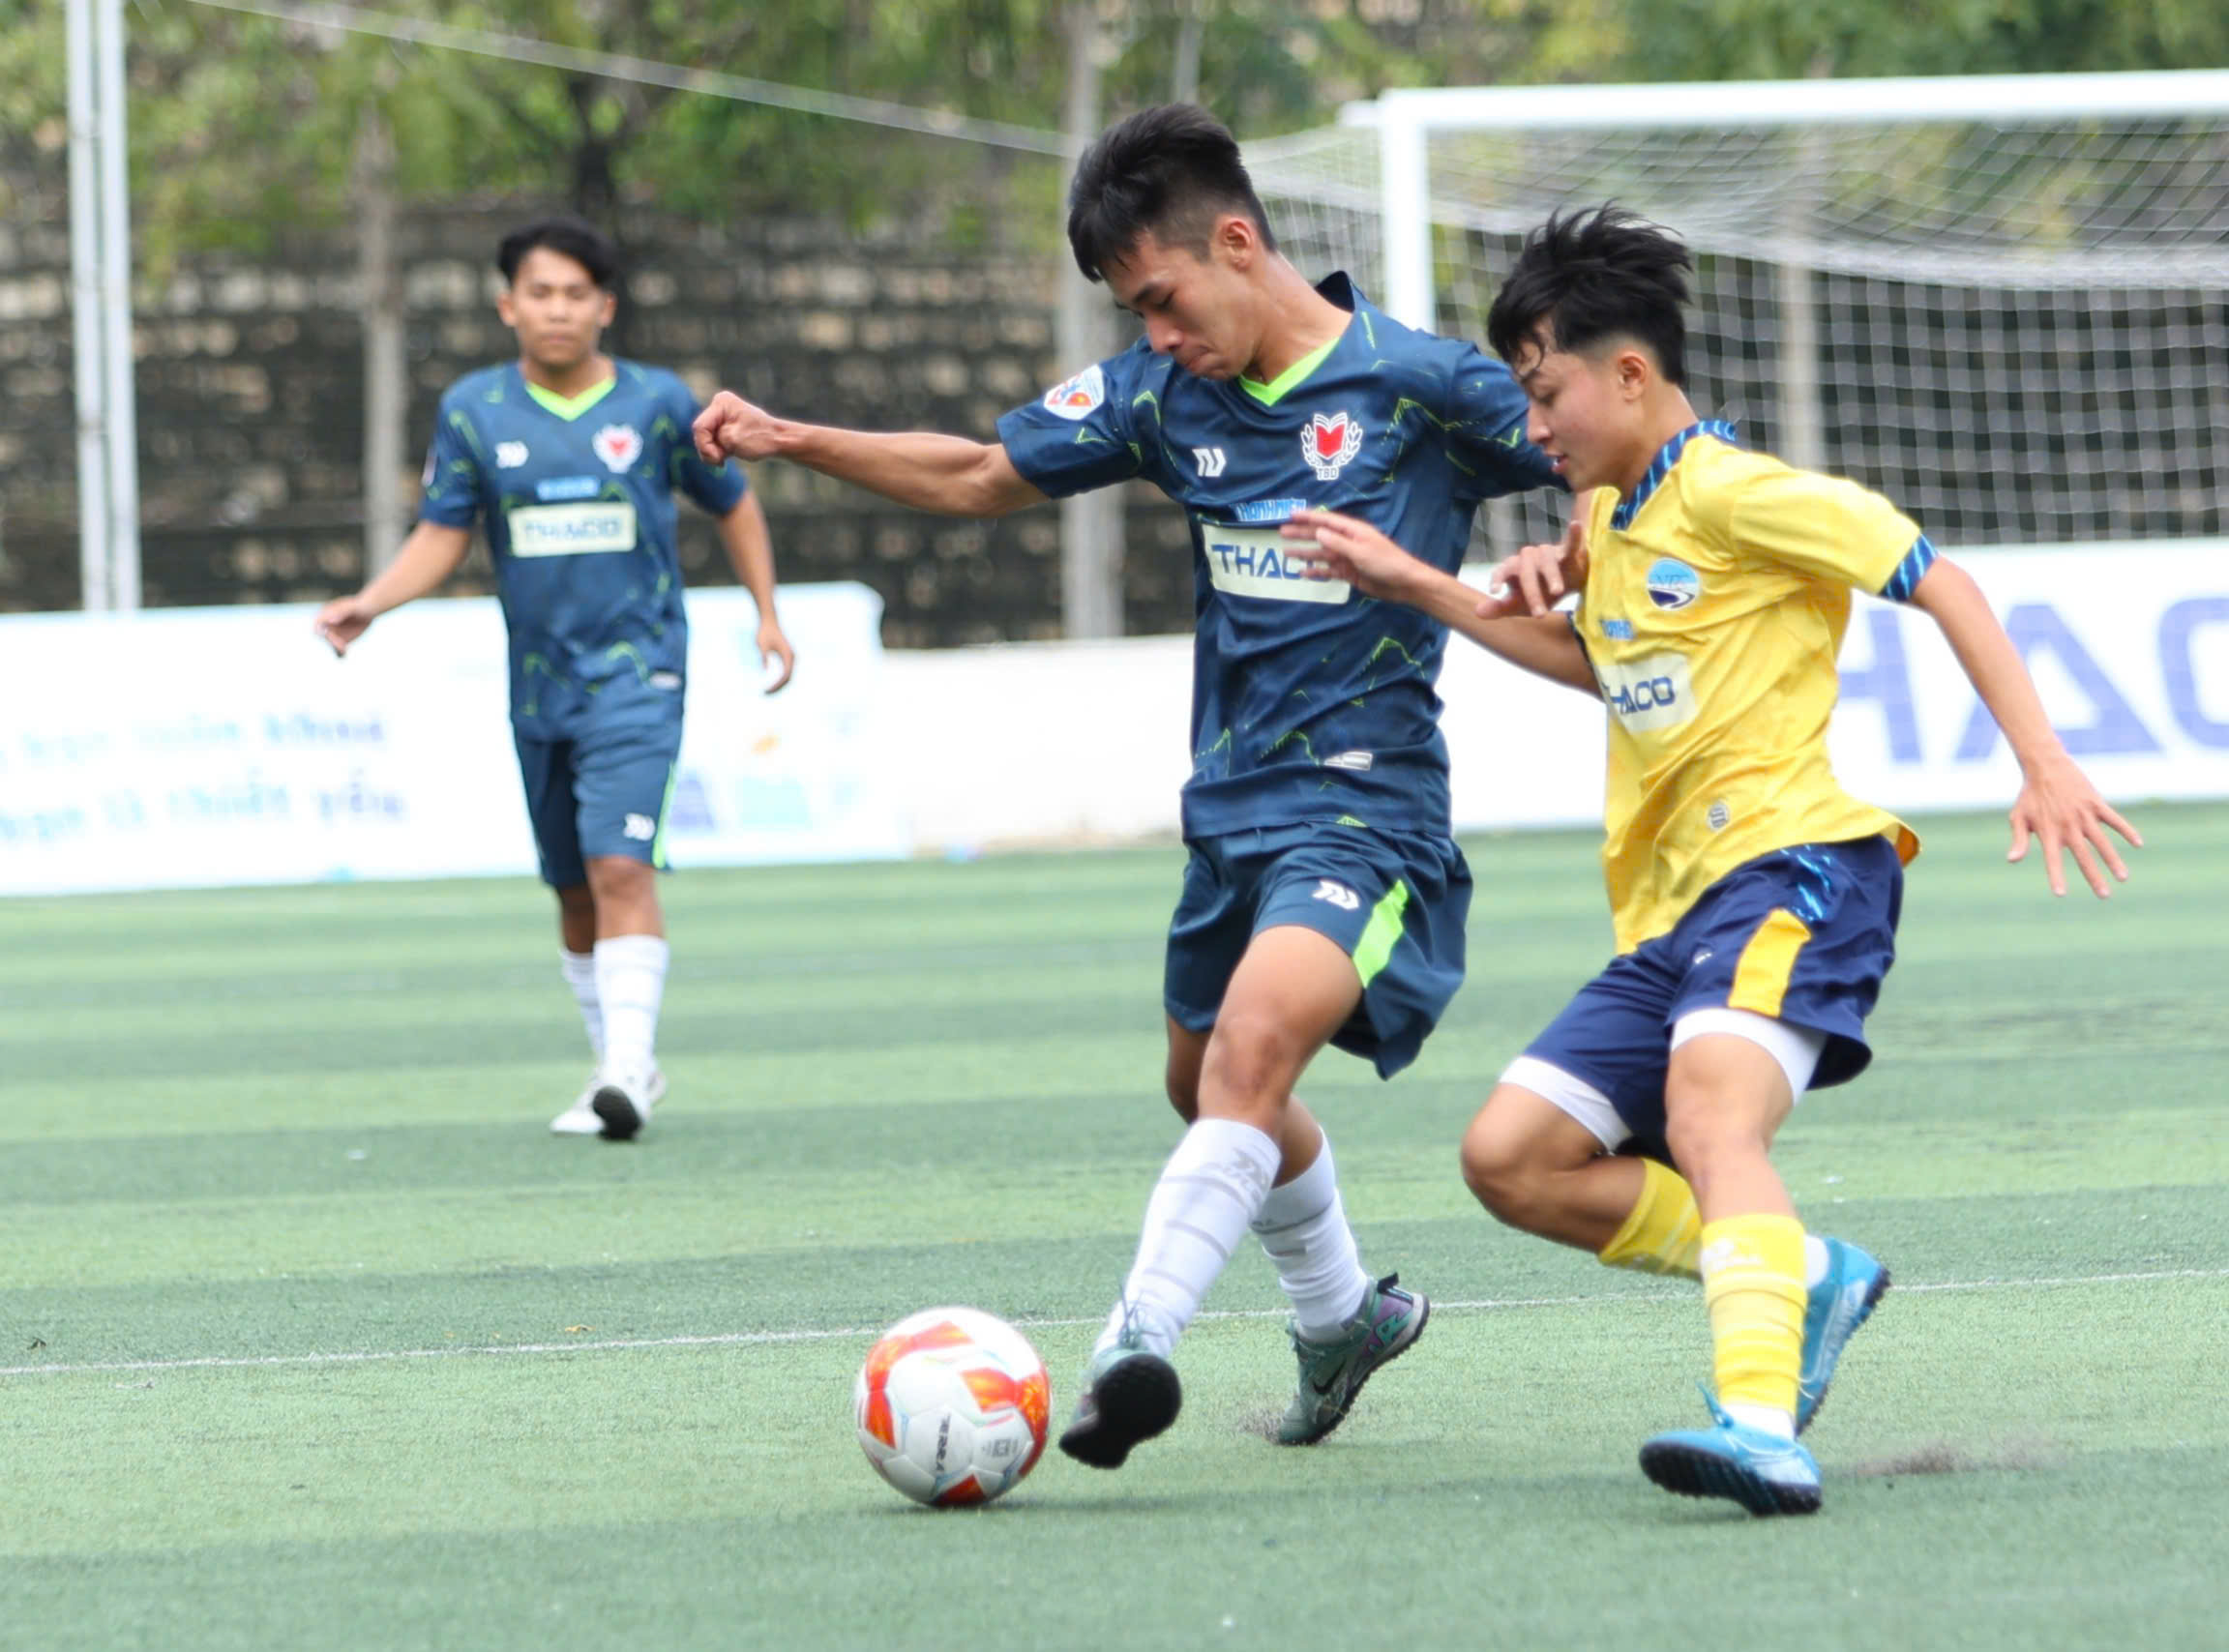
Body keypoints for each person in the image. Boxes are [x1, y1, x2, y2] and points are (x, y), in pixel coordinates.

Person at [693, 104, 1561, 1468]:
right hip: (1226, 819)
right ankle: (1341, 1317)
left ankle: (1131, 1347)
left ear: (1236, 241)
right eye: (1132, 310)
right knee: (1206, 1088)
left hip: (1369, 811)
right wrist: (792, 438)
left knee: (1252, 1057)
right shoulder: (1166, 399)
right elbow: (983, 473)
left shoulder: (1421, 387)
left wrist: (1579, 549)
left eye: (1159, 298)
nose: (1152, 331)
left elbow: (1628, 458)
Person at [1286, 205, 2141, 1517]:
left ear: (1630, 375)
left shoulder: (1742, 492)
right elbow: (1599, 669)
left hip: (1800, 868)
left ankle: (1760, 1426)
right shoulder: (1617, 524)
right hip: (1673, 918)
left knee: (1709, 1123)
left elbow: (1939, 580)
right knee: (1511, 1159)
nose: (1537, 426)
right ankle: (1802, 1273)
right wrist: (1421, 582)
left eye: (1546, 390)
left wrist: (2045, 759)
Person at [316, 216, 794, 1141]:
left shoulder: (657, 404)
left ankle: (624, 1066)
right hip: (539, 686)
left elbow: (733, 504)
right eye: (541, 292)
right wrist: (372, 602)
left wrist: (766, 612)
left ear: (605, 307)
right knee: (573, 887)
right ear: (508, 305)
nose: (559, 309)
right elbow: (443, 535)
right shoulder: (473, 411)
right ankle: (623, 1064)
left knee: (621, 864)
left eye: (577, 293)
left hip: (640, 673)